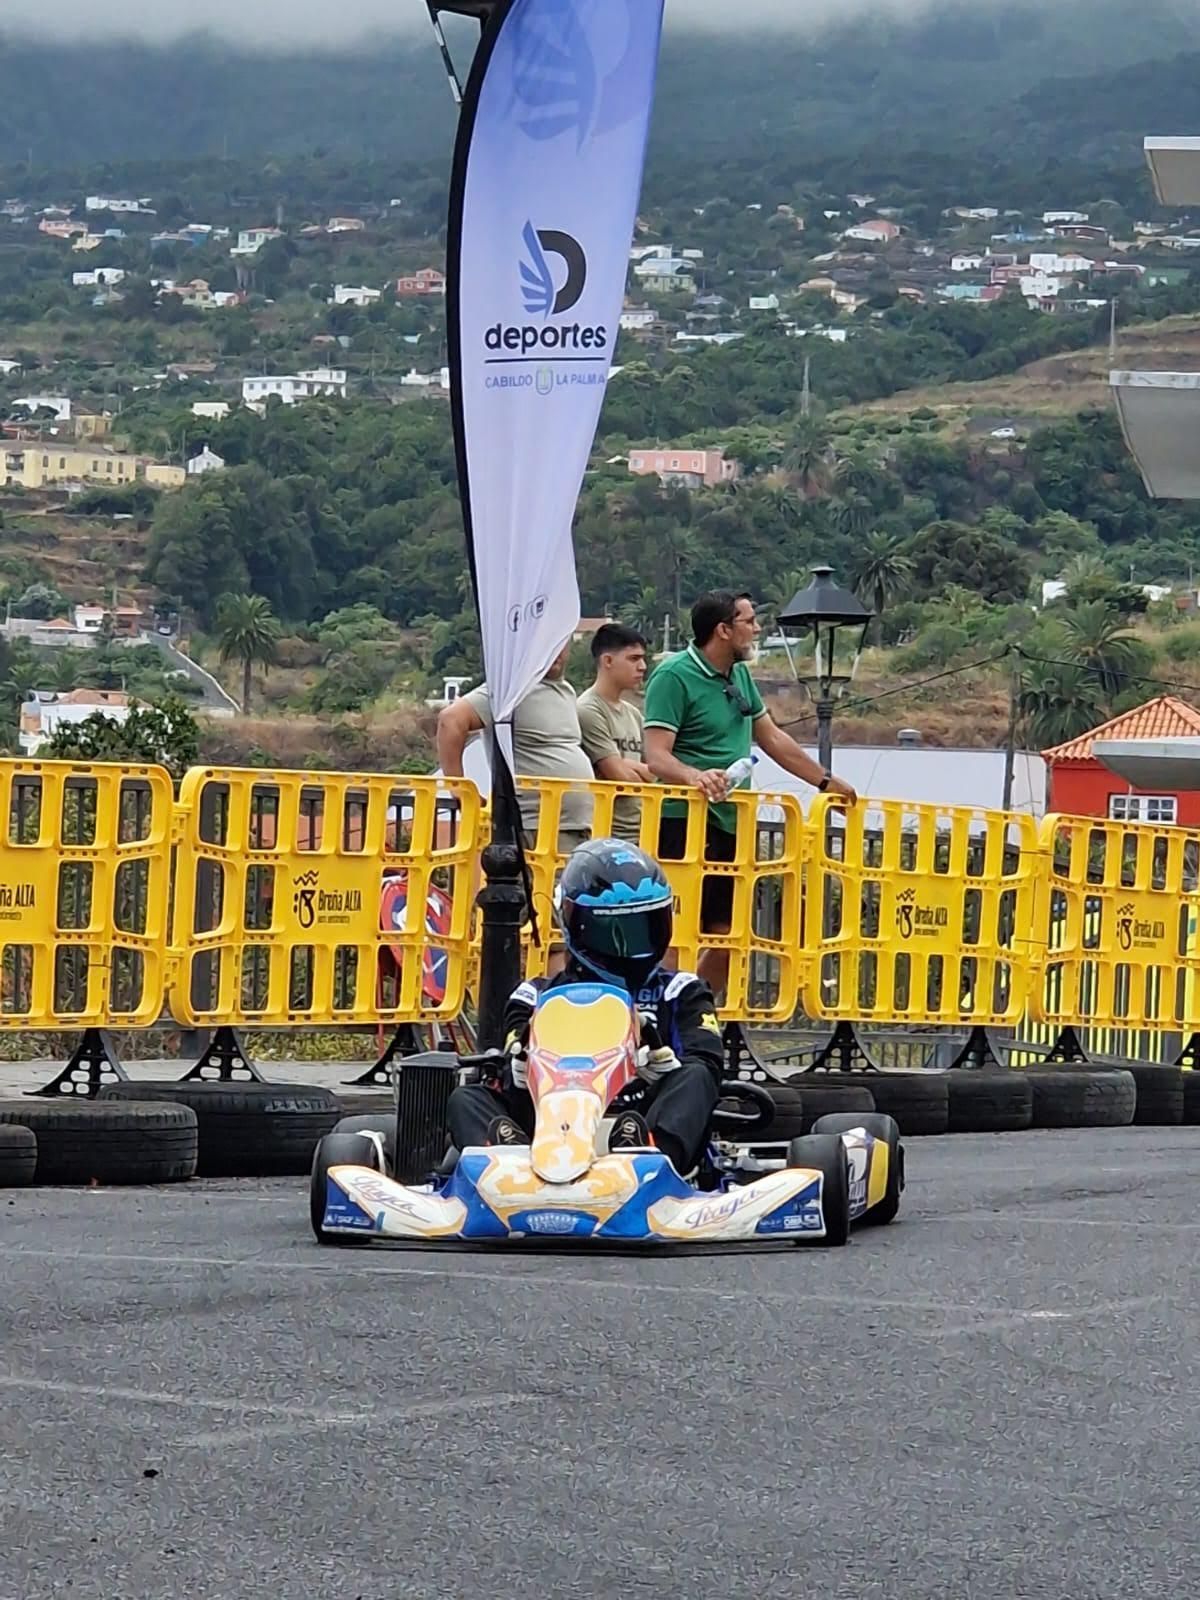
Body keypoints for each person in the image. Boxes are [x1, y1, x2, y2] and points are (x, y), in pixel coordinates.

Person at [446, 838, 724, 1177]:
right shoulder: (534, 997)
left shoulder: (680, 991)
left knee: (695, 1078)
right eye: (613, 932)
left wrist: (663, 1066)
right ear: (577, 926)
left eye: (643, 929)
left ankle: (650, 1154)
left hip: (639, 1116)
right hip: (547, 1116)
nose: (629, 946)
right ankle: (505, 1162)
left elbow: (706, 1063)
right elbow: (507, 1067)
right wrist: (517, 1068)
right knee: (467, 1098)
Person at [643, 589, 857, 997]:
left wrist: (825, 780)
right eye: (748, 622)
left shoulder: (738, 676)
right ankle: (657, 1015)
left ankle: (690, 1012)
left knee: (728, 932)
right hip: (680, 819)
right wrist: (694, 776)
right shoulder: (673, 676)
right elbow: (655, 755)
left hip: (729, 818)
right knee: (675, 926)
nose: (757, 630)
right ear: (723, 630)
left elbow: (771, 737)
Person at [436, 643, 594, 855]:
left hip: (574, 825)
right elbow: (451, 720)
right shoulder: (510, 689)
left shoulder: (566, 691)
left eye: (561, 643)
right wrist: (458, 787)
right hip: (532, 826)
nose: (555, 652)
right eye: (550, 643)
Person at [576, 622, 654, 844]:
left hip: (641, 830)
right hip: (607, 832)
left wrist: (629, 764)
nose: (642, 666)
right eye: (633, 659)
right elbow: (620, 776)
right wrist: (634, 768)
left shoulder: (633, 714)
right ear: (607, 661)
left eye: (642, 658)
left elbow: (658, 772)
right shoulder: (588, 709)